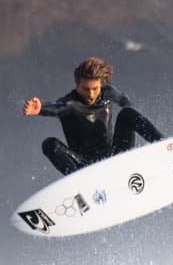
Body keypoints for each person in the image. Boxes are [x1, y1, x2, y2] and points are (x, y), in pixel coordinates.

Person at [22, 56, 165, 175]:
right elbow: (56, 108)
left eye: (95, 89)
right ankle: (81, 184)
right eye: (86, 89)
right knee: (49, 144)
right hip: (85, 168)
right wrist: (40, 109)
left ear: (101, 85)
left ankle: (166, 146)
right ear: (77, 84)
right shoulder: (70, 103)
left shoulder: (108, 93)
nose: (91, 94)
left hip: (115, 158)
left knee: (127, 113)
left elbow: (128, 105)